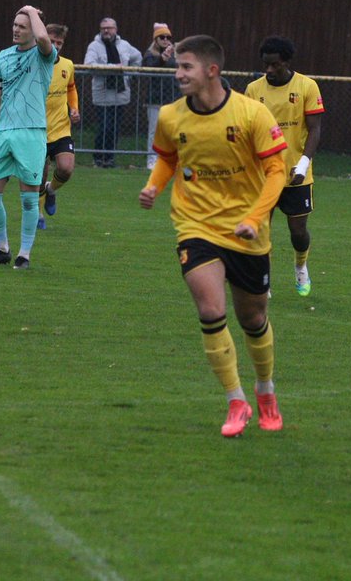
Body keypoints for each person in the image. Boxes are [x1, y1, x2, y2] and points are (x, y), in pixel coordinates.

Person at [139, 35, 289, 437]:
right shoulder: (171, 117)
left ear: (212, 71)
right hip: (195, 224)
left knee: (253, 318)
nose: (178, 74)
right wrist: (155, 185)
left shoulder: (252, 114)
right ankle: (235, 400)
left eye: (186, 67)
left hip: (246, 231)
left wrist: (256, 218)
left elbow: (278, 172)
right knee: (210, 311)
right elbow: (169, 157)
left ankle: (265, 390)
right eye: (177, 66)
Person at [245, 36, 325, 296]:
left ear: (287, 62)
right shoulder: (253, 90)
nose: (269, 70)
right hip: (264, 174)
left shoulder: (307, 86)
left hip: (296, 174)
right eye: (265, 65)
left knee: (298, 232)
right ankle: (263, 279)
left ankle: (301, 265)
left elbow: (315, 129)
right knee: (260, 230)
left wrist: (303, 163)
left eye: (274, 65)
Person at [0, 5, 55, 269]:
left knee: (28, 197)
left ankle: (24, 254)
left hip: (31, 133)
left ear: (34, 30)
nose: (16, 29)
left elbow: (44, 39)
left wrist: (30, 10)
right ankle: (2, 249)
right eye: (14, 24)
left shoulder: (44, 55)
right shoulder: (3, 56)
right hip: (3, 133)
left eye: (22, 26)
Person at [37, 23, 81, 229]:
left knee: (66, 169)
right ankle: (37, 212)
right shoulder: (35, 62)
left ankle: (51, 190)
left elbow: (71, 89)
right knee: (38, 175)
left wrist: (74, 108)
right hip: (37, 129)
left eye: (59, 43)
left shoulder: (67, 65)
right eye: (52, 41)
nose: (55, 45)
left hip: (61, 129)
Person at [84, 17, 141, 167]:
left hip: (120, 94)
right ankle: (98, 158)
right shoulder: (94, 46)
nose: (106, 31)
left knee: (115, 129)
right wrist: (112, 67)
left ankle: (109, 158)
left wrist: (129, 75)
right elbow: (89, 65)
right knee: (104, 127)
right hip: (102, 95)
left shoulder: (124, 45)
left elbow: (137, 58)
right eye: (103, 28)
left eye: (109, 28)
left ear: (115, 29)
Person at [141, 22, 179, 170]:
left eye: (168, 37)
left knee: (172, 131)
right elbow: (148, 70)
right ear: (155, 39)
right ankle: (152, 160)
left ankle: (170, 159)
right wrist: (162, 59)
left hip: (172, 98)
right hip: (155, 98)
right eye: (162, 37)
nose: (165, 40)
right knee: (154, 131)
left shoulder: (173, 55)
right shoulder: (150, 55)